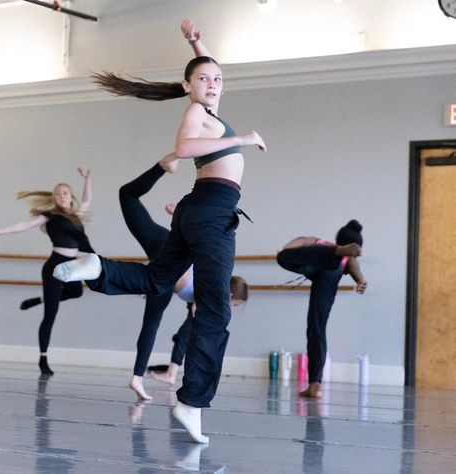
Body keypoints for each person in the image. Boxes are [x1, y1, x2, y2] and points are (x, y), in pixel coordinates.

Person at [53, 19, 266, 443]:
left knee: (157, 279)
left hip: (199, 210)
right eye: (203, 79)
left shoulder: (208, 110)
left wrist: (195, 43)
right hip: (210, 211)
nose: (213, 83)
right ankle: (191, 402)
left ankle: (97, 268)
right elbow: (184, 148)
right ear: (188, 86)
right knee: (216, 310)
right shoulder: (196, 112)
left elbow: (207, 72)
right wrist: (241, 139)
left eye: (218, 79)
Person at [117, 157, 248, 400]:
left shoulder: (209, 282)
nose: (233, 307)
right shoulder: (211, 288)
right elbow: (195, 249)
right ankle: (137, 377)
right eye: (236, 303)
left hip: (164, 247)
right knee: (152, 320)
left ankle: (161, 167)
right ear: (231, 295)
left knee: (127, 195)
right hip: (167, 255)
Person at [0, 167, 93, 375]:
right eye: (58, 193)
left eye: (65, 193)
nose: (61, 196)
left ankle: (41, 299)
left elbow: (86, 201)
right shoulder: (50, 216)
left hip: (74, 266)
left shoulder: (77, 216)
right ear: (54, 198)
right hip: (55, 265)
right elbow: (25, 224)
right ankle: (43, 359)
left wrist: (87, 180)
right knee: (51, 315)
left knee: (77, 292)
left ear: (71, 197)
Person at [276, 220, 367, 399]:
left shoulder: (320, 242)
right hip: (330, 270)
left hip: (318, 262)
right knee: (317, 329)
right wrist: (360, 280)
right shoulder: (347, 259)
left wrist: (284, 249)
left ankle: (334, 253)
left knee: (283, 257)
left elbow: (301, 240)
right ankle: (314, 385)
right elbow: (354, 264)